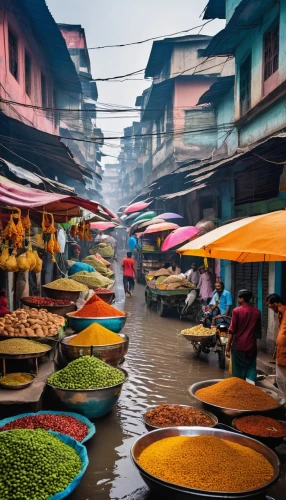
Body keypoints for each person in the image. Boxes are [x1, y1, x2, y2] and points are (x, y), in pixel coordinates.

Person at [226, 289, 261, 383]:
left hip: (238, 346)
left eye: (239, 297)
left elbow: (232, 330)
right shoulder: (257, 312)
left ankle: (238, 390)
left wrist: (228, 346)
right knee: (251, 367)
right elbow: (257, 332)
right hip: (252, 346)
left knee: (237, 369)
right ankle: (250, 388)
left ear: (241, 299)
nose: (238, 299)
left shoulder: (236, 311)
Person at [266, 294, 286, 395]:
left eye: (270, 306)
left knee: (283, 379)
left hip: (284, 351)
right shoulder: (280, 314)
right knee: (280, 378)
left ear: (275, 304)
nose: (270, 309)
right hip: (280, 351)